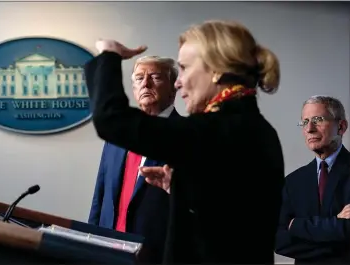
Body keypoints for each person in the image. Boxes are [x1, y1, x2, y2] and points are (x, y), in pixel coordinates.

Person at [84, 20, 285, 264]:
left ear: (215, 70)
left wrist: (109, 55)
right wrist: (180, 189)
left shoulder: (217, 129)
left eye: (185, 68)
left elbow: (111, 120)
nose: (179, 82)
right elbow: (227, 215)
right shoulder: (254, 129)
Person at [88, 55, 180, 263]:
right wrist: (90, 241)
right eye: (139, 78)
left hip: (158, 254)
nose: (145, 83)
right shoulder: (116, 137)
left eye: (155, 77)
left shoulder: (187, 135)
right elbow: (100, 196)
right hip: (109, 251)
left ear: (174, 88)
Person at [275, 95, 350, 264]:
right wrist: (338, 230)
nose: (309, 128)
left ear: (341, 126)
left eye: (318, 119)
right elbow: (278, 240)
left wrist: (296, 226)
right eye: (305, 121)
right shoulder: (293, 182)